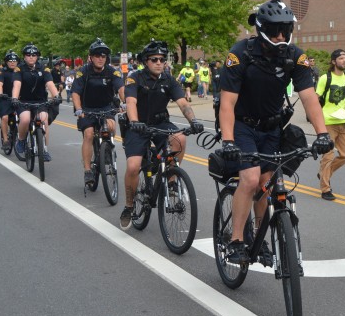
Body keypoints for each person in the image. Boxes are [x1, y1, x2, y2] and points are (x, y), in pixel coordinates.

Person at [219, 0, 333, 264]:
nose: (281, 36)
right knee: (249, 178)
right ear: (261, 29)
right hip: (242, 126)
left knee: (265, 184)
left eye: (285, 30)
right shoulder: (240, 54)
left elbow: (309, 98)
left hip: (272, 127)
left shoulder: (296, 57)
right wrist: (228, 140)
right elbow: (226, 103)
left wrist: (322, 133)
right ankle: (235, 239)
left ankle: (259, 236)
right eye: (275, 30)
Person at [120, 39, 203, 230]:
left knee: (179, 138)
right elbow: (131, 102)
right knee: (133, 167)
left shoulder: (168, 79)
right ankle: (129, 205)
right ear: (145, 62)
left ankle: (172, 181)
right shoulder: (135, 77)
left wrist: (194, 121)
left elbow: (183, 103)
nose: (159, 63)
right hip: (138, 125)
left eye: (162, 59)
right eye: (154, 59)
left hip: (160, 123)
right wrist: (134, 122)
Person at [72, 39, 126, 187]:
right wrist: (78, 109)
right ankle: (88, 170)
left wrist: (125, 102)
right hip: (87, 109)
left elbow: (121, 88)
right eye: (97, 55)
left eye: (103, 56)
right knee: (89, 133)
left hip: (106, 108)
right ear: (91, 57)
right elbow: (75, 93)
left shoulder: (112, 72)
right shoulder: (82, 72)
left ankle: (107, 149)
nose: (100, 58)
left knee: (111, 126)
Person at [11, 43, 61, 161]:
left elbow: (49, 84)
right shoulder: (19, 69)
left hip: (40, 101)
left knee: (44, 119)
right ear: (24, 57)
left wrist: (56, 96)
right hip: (23, 101)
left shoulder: (44, 69)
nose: (31, 57)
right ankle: (22, 141)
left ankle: (44, 150)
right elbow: (17, 85)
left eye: (34, 55)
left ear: (37, 57)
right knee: (25, 119)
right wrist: (14, 98)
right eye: (28, 55)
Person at [316, 49, 345, 201]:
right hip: (328, 123)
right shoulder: (325, 78)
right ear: (333, 62)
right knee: (328, 156)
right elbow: (315, 99)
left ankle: (324, 174)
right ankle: (325, 189)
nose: (344, 60)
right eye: (341, 58)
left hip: (342, 122)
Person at [0, 50, 19, 151]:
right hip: (5, 98)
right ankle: (5, 140)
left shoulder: (20, 71)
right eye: (10, 60)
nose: (12, 62)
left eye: (14, 60)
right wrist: (0, 93)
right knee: (5, 118)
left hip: (18, 98)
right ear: (6, 62)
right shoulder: (2, 72)